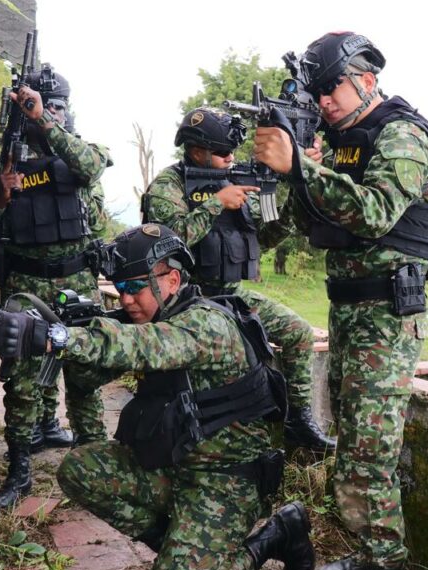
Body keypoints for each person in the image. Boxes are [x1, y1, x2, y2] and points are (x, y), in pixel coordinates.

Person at [0, 224, 316, 570]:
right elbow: (93, 375)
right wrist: (67, 332)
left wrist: (55, 337)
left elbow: (142, 346)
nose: (124, 300)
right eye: (119, 289)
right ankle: (181, 557)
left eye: (133, 288)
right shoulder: (155, 317)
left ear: (171, 280)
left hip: (228, 480)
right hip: (175, 466)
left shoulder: (206, 324)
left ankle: (273, 538)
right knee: (79, 469)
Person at [253, 32, 428, 570]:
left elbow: (377, 211)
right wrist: (294, 174)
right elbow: (299, 227)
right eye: (317, 92)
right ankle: (369, 552)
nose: (324, 101)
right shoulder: (342, 143)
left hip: (387, 314)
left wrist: (303, 170)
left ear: (366, 77)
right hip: (350, 311)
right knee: (353, 440)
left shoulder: (403, 135)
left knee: (371, 451)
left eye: (330, 87)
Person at [140, 107, 336, 453]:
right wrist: (215, 204)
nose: (230, 158)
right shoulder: (168, 187)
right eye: (222, 153)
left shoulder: (237, 178)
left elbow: (266, 237)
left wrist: (296, 184)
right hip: (185, 300)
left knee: (299, 333)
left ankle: (298, 422)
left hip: (231, 296)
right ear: (196, 149)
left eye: (232, 151)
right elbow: (170, 244)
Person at [0, 65, 111, 510]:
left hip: (76, 278)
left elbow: (92, 166)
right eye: (37, 107)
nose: (47, 113)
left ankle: (95, 463)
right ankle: (20, 469)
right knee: (21, 382)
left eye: (54, 107)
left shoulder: (76, 151)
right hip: (25, 282)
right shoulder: (5, 164)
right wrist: (1, 196)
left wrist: (43, 122)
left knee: (85, 373)